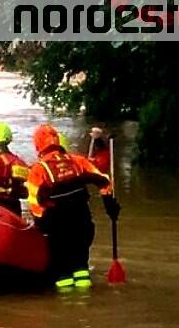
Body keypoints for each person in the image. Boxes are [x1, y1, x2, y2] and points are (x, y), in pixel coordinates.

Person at [26, 123, 121, 290]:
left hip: (58, 229)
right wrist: (110, 205)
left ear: (38, 145)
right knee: (81, 268)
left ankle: (67, 308)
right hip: (82, 225)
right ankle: (84, 299)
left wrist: (42, 229)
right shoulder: (77, 161)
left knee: (63, 274)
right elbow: (103, 180)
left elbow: (36, 205)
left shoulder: (38, 170)